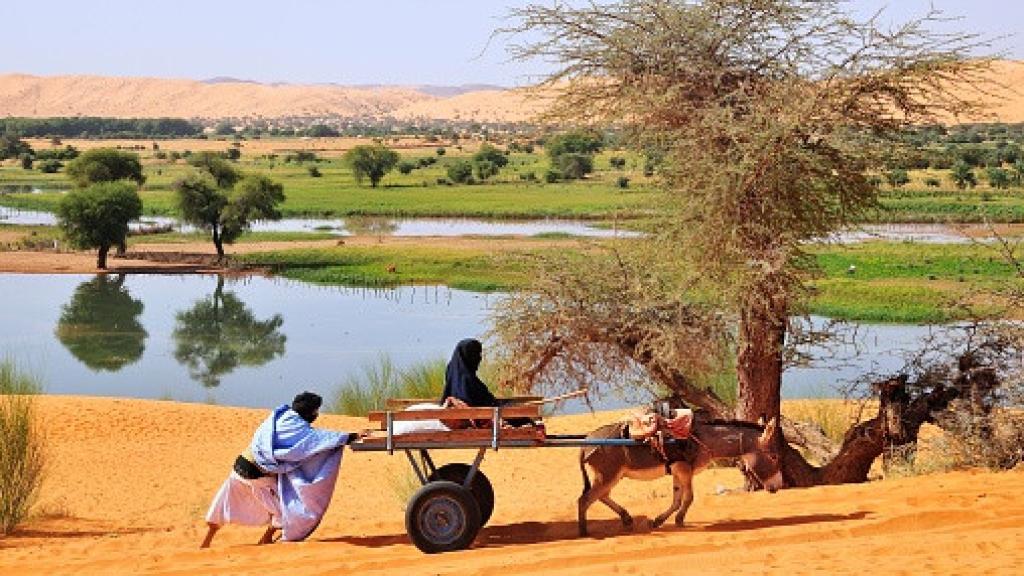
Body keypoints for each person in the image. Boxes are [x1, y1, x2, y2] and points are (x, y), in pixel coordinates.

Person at [200, 392, 359, 548]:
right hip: (257, 472)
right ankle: (266, 539)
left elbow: (313, 439)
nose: (317, 414)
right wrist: (348, 437)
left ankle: (206, 541)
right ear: (310, 411)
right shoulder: (299, 428)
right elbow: (318, 440)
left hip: (241, 463)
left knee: (226, 499)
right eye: (316, 410)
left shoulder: (281, 417)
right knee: (287, 508)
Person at [439, 338, 534, 427]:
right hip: (487, 414)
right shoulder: (467, 380)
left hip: (485, 412)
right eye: (476, 354)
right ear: (469, 355)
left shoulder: (454, 372)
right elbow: (478, 404)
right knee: (518, 415)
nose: (479, 358)